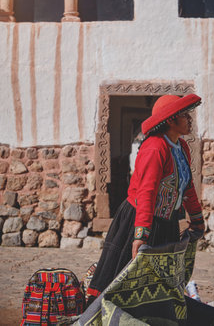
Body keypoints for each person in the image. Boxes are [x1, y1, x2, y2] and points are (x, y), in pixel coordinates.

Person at [87, 93, 205, 304]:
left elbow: (187, 188)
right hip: (138, 221)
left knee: (158, 284)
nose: (190, 119)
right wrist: (140, 234)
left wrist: (197, 221)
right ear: (171, 120)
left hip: (166, 225)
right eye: (185, 115)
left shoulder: (182, 148)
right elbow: (147, 193)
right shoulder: (155, 147)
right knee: (122, 280)